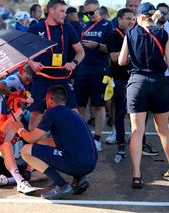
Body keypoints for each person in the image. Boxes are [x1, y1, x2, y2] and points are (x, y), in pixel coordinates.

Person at [11, 85, 97, 199]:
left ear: (49, 99)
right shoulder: (73, 113)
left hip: (77, 163)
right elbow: (55, 142)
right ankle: (79, 179)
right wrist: (38, 143)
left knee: (25, 150)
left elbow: (31, 138)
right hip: (90, 163)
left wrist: (19, 129)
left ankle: (62, 185)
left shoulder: (52, 112)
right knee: (47, 145)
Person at [118, 2, 169, 188]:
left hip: (137, 82)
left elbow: (122, 61)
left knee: (136, 130)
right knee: (163, 129)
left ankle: (136, 175)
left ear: (139, 16)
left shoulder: (130, 33)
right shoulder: (163, 33)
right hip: (158, 82)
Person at [27, 0, 85, 131]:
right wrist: (32, 63)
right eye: (62, 11)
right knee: (36, 114)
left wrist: (74, 63)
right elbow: (23, 52)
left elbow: (80, 52)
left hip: (62, 77)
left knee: (74, 112)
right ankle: (33, 147)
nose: (65, 15)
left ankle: (75, 145)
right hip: (42, 77)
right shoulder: (36, 28)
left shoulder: (68, 28)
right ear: (51, 10)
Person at [73, 0, 113, 152]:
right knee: (80, 105)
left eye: (91, 12)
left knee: (98, 105)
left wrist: (97, 46)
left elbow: (112, 48)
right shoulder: (82, 25)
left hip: (99, 69)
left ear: (99, 10)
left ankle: (97, 139)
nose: (89, 16)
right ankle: (84, 137)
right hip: (82, 69)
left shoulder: (107, 25)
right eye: (86, 13)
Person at [106, 8, 135, 155]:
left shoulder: (136, 32)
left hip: (135, 78)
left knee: (137, 112)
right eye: (128, 18)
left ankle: (138, 141)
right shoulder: (113, 35)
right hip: (120, 78)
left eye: (133, 19)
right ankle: (121, 142)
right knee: (120, 111)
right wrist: (130, 48)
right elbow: (114, 58)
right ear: (119, 19)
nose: (131, 21)